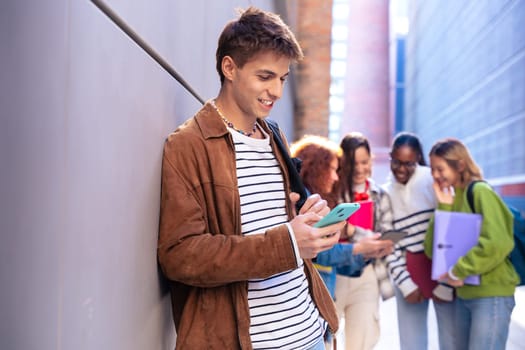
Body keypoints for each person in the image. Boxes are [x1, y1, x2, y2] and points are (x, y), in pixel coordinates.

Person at [157, 7, 346, 349]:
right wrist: (287, 242)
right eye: (264, 76)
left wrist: (305, 223)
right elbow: (180, 256)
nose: (275, 90)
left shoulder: (273, 134)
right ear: (229, 68)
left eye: (282, 78)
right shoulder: (188, 145)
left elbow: (273, 228)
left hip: (311, 331)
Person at [424, 137, 518, 350]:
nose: (435, 175)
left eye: (440, 169)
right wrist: (443, 209)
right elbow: (432, 251)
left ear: (460, 165)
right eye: (432, 170)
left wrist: (458, 271)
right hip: (464, 294)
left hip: (491, 294)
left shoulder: (480, 192)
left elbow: (497, 242)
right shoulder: (449, 198)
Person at [290, 135, 394, 298]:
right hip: (315, 293)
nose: (335, 177)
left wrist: (366, 252)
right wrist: (359, 248)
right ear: (317, 168)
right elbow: (319, 252)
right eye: (331, 169)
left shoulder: (317, 198)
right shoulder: (306, 201)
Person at [382, 132, 456, 350]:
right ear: (390, 157)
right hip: (408, 270)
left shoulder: (432, 180)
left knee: (451, 342)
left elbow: (449, 229)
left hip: (441, 269)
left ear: (418, 160)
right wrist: (405, 284)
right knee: (412, 344)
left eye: (409, 163)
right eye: (396, 162)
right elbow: (388, 245)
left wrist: (446, 282)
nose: (401, 169)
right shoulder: (385, 192)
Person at [334, 132, 395, 350]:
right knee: (324, 339)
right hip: (334, 274)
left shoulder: (381, 195)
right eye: (353, 163)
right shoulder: (333, 192)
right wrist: (366, 239)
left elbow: (386, 235)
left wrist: (353, 231)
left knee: (361, 342)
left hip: (367, 275)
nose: (360, 168)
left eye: (364, 162)